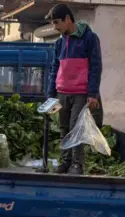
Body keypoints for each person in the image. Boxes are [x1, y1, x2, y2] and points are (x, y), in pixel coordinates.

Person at [46, 4, 103, 175]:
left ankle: (77, 164)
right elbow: (54, 69)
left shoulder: (90, 38)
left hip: (81, 92)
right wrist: (50, 95)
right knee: (63, 127)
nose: (55, 27)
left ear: (68, 19)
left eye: (57, 22)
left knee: (76, 127)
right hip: (62, 92)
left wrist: (92, 94)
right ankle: (65, 162)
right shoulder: (59, 43)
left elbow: (95, 66)